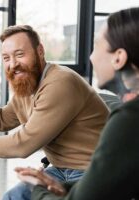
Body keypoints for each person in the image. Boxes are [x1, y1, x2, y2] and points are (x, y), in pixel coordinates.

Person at [0, 25, 109, 200]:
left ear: (40, 51)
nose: (13, 64)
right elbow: (2, 119)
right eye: (6, 58)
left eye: (20, 54)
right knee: (13, 197)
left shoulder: (60, 83)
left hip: (93, 171)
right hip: (59, 170)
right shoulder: (28, 85)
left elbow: (23, 145)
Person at [16, 7, 139, 200]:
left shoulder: (129, 119)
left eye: (96, 46)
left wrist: (38, 189)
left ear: (119, 57)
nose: (90, 57)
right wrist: (61, 186)